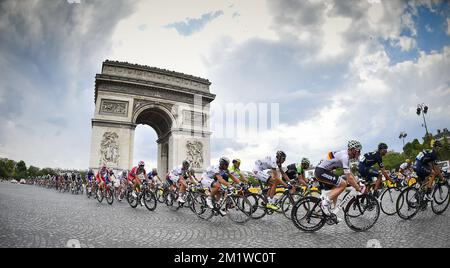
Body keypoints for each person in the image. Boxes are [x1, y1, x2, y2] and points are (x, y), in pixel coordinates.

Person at [315, 140, 366, 216]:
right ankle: (325, 204)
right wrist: (358, 188)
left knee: (337, 187)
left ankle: (332, 212)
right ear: (353, 150)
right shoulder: (345, 157)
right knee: (343, 184)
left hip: (323, 171)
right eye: (358, 151)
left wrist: (357, 182)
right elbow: (349, 178)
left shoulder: (345, 155)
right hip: (321, 171)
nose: (359, 153)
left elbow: (350, 173)